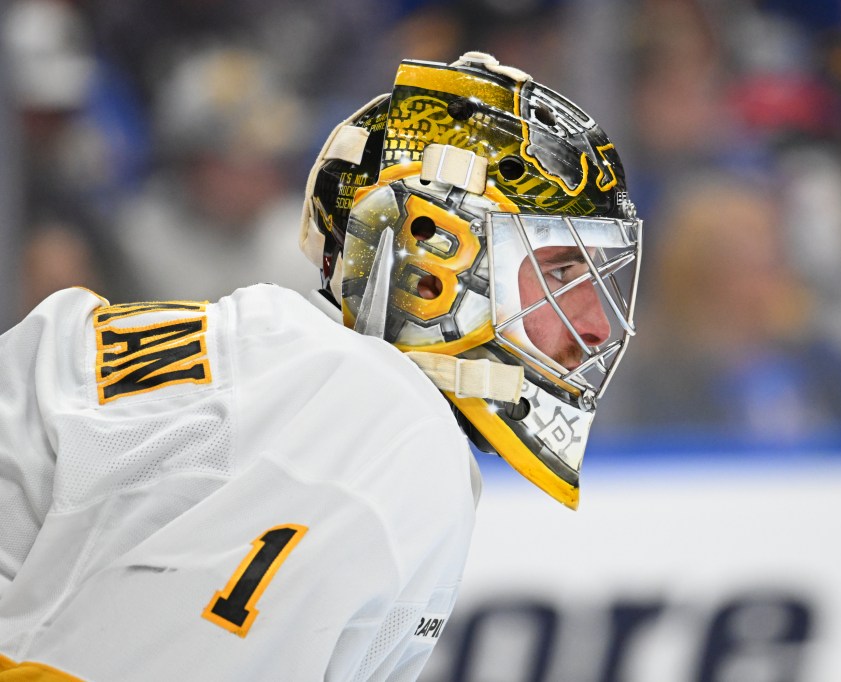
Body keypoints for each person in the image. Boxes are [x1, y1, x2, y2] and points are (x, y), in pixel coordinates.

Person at [0, 52, 642, 681]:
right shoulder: (380, 425)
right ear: (433, 255)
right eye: (562, 270)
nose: (594, 324)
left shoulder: (298, 372)